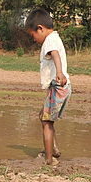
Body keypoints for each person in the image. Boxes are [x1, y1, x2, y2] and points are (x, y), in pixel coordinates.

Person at [25, 9, 70, 167]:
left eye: (33, 35)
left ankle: (49, 159)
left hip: (58, 86)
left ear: (40, 28)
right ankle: (54, 150)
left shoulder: (50, 41)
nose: (34, 39)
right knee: (44, 117)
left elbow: (56, 55)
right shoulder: (54, 37)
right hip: (59, 86)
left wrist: (59, 72)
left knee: (46, 121)